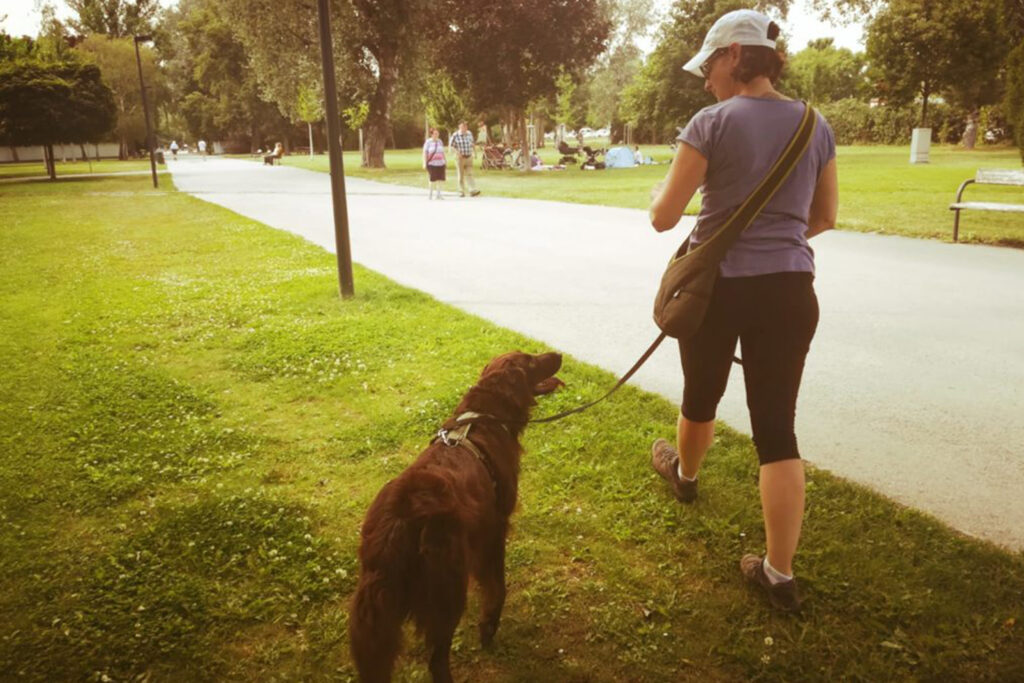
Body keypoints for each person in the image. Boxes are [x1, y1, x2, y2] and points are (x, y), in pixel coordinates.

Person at [647, 8, 838, 613]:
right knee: (777, 428)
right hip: (790, 289)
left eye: (708, 65)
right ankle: (779, 575)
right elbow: (825, 218)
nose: (705, 79)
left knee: (701, 392)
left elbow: (663, 216)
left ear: (734, 55)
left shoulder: (710, 122)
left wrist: (669, 194)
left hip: (718, 287)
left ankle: (686, 476)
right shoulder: (815, 124)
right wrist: (775, 242)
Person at [448, 120, 481, 197]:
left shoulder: (469, 134)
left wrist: (474, 153)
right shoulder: (455, 135)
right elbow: (451, 146)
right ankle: (461, 191)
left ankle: (472, 190)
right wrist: (457, 153)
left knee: (469, 174)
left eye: (466, 126)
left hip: (469, 157)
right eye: (463, 126)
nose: (465, 127)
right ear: (459, 126)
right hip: (460, 158)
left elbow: (472, 144)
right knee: (461, 175)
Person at [423, 128, 447, 199]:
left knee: (440, 179)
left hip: (440, 163)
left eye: (437, 133)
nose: (436, 135)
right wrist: (424, 162)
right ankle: (430, 194)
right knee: (432, 179)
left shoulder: (440, 141)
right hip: (432, 163)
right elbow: (425, 153)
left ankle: (438, 194)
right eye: (435, 134)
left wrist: (445, 160)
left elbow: (442, 152)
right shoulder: (428, 142)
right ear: (431, 134)